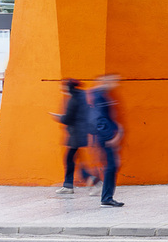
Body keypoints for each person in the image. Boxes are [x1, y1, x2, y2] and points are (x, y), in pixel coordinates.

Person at [87, 74, 125, 208]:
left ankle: (107, 196)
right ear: (105, 81)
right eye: (113, 80)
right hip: (106, 137)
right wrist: (111, 137)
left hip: (105, 135)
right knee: (111, 166)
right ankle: (107, 197)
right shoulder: (99, 96)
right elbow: (100, 119)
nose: (115, 83)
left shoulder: (101, 95)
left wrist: (117, 129)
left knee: (112, 166)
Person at [53, 79, 89, 196]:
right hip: (80, 133)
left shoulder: (73, 100)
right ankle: (71, 184)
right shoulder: (81, 97)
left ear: (69, 88)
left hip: (75, 134)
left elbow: (68, 118)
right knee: (74, 159)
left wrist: (58, 117)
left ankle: (69, 185)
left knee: (69, 159)